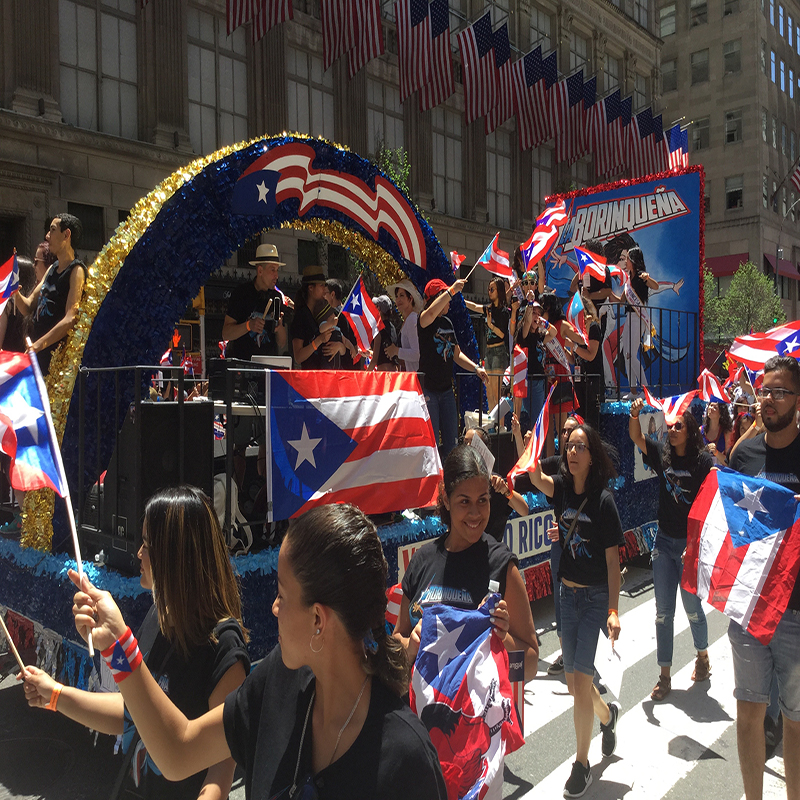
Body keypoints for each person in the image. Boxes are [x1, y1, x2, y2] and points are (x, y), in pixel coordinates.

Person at [67, 503, 446, 800]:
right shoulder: (276, 683)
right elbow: (177, 750)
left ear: (318, 619)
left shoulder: (405, 759)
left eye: (281, 595)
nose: (274, 609)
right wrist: (118, 645)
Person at [21, 486, 250, 800]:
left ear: (176, 554)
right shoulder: (158, 616)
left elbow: (222, 768)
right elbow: (132, 709)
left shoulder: (225, 649)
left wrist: (118, 642)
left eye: (148, 543)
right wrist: (56, 695)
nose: (139, 553)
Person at [527, 424, 623, 798]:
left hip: (595, 598)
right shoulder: (562, 489)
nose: (572, 452)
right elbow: (534, 476)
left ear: (592, 454)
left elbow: (614, 561)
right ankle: (607, 716)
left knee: (579, 685)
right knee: (575, 685)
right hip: (566, 597)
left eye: (580, 446)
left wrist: (614, 609)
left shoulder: (603, 501)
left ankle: (581, 764)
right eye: (569, 446)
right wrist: (523, 435)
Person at [394, 445, 539, 680]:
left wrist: (503, 639)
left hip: (476, 714)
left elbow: (530, 666)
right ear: (446, 500)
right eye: (464, 501)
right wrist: (411, 645)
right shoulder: (422, 560)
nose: (475, 513)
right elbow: (397, 641)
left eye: (482, 500)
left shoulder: (502, 565)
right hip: (421, 712)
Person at [727, 355, 800, 800]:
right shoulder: (743, 453)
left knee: (794, 719)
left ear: (798, 398)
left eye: (779, 391)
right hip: (749, 607)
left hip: (796, 610)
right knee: (749, 712)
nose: (768, 399)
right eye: (764, 390)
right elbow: (730, 527)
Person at [628, 398, 713, 701]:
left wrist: (696, 546)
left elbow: (709, 505)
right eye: (671, 425)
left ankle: (702, 656)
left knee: (692, 608)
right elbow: (636, 436)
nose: (672, 429)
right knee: (663, 613)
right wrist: (635, 413)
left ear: (689, 431)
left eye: (679, 426)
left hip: (692, 546)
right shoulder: (661, 455)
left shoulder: (703, 463)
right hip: (664, 543)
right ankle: (664, 676)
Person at [418, 278, 488, 460]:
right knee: (431, 442)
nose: (449, 301)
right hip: (429, 391)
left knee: (452, 442)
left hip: (447, 390)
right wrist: (450, 291)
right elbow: (430, 312)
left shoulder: (447, 323)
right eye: (445, 297)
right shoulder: (423, 319)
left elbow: (456, 354)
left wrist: (476, 368)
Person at [15, 214, 86, 375]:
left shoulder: (76, 271)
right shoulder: (52, 269)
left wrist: (39, 345)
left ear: (66, 235)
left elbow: (70, 318)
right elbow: (27, 307)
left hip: (54, 358)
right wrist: (15, 293)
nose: (47, 236)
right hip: (37, 353)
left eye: (52, 230)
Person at [222, 243, 288, 360]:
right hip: (243, 365)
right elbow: (226, 333)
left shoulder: (277, 297)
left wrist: (280, 327)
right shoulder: (241, 293)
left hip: (269, 367)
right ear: (260, 271)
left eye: (277, 270)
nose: (276, 275)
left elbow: (282, 343)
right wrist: (248, 325)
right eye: (272, 270)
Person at [464, 277, 510, 413]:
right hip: (489, 352)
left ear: (499, 291)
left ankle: (500, 428)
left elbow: (502, 334)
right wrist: (460, 298)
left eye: (492, 289)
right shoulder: (489, 309)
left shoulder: (503, 311)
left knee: (496, 393)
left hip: (499, 351)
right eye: (488, 289)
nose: (489, 292)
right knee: (489, 393)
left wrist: (490, 325)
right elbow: (475, 306)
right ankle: (492, 426)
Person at [290, 265, 346, 369]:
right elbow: (298, 357)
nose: (325, 289)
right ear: (310, 288)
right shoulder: (301, 316)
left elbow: (344, 347)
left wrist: (339, 346)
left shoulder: (326, 312)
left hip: (329, 377)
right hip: (311, 379)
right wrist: (319, 340)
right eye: (321, 285)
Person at [385, 279, 422, 373]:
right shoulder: (407, 320)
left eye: (402, 295)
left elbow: (416, 354)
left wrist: (396, 351)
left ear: (410, 298)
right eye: (397, 296)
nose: (398, 300)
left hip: (415, 377)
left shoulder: (412, 319)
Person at [370, 295, 400, 371]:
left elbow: (374, 361)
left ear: (378, 308)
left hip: (384, 374)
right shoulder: (392, 328)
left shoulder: (379, 329)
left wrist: (363, 378)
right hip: (395, 372)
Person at [702, 401, 733, 465]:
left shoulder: (726, 433)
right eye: (710, 405)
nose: (711, 408)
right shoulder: (700, 430)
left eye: (715, 407)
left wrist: (716, 452)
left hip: (719, 472)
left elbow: (729, 463)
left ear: (721, 414)